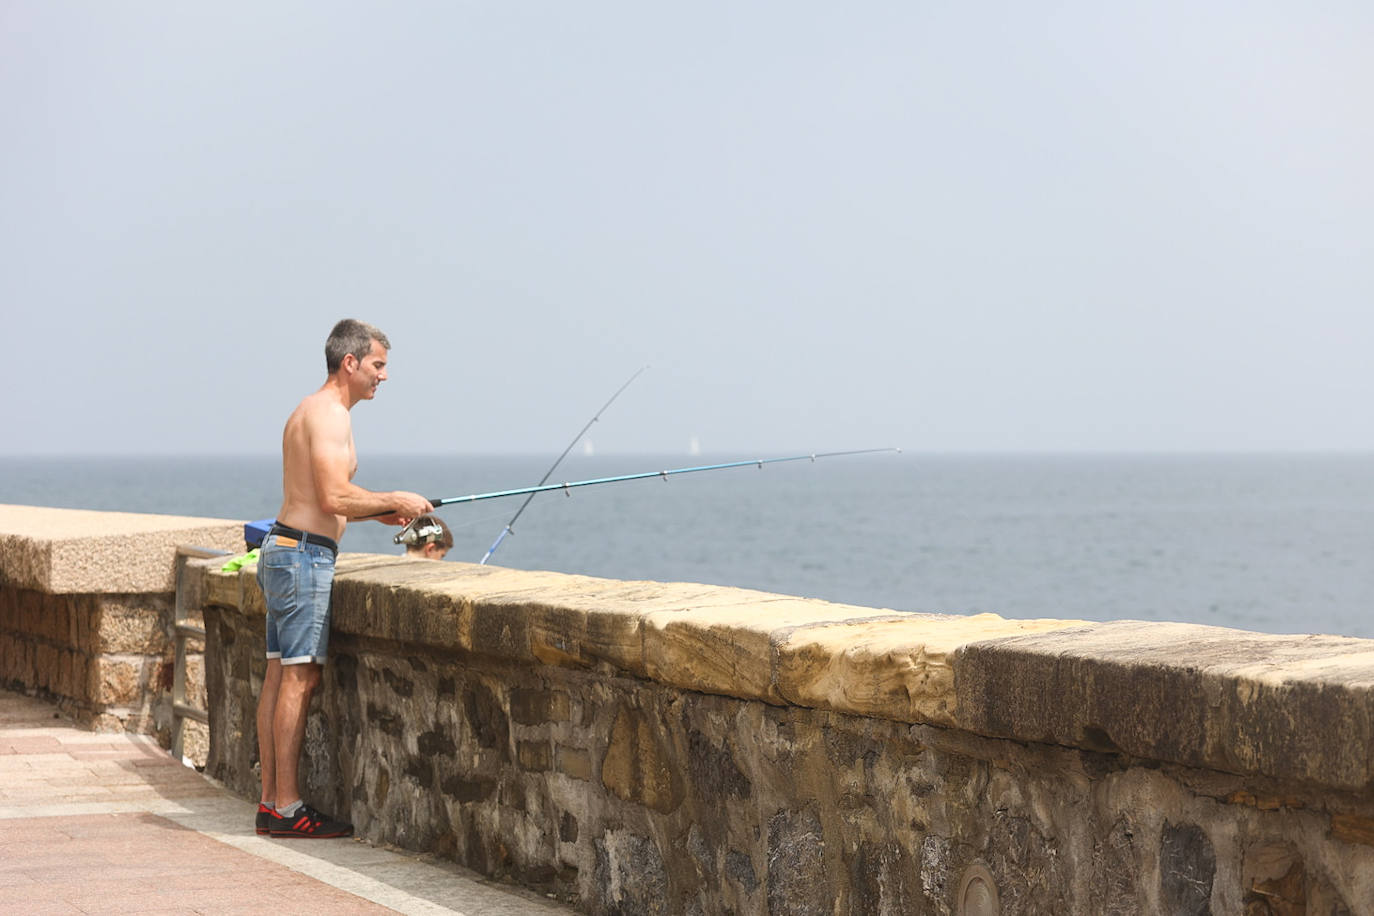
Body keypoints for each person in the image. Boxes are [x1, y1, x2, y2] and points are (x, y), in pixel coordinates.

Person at [254, 319, 432, 839]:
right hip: (304, 557)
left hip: (285, 548)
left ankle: (270, 802)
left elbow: (326, 498)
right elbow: (333, 497)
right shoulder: (331, 415)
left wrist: (380, 513)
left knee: (277, 675)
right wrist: (396, 498)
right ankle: (286, 807)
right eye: (378, 365)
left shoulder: (306, 410)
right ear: (350, 363)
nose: (384, 376)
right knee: (299, 678)